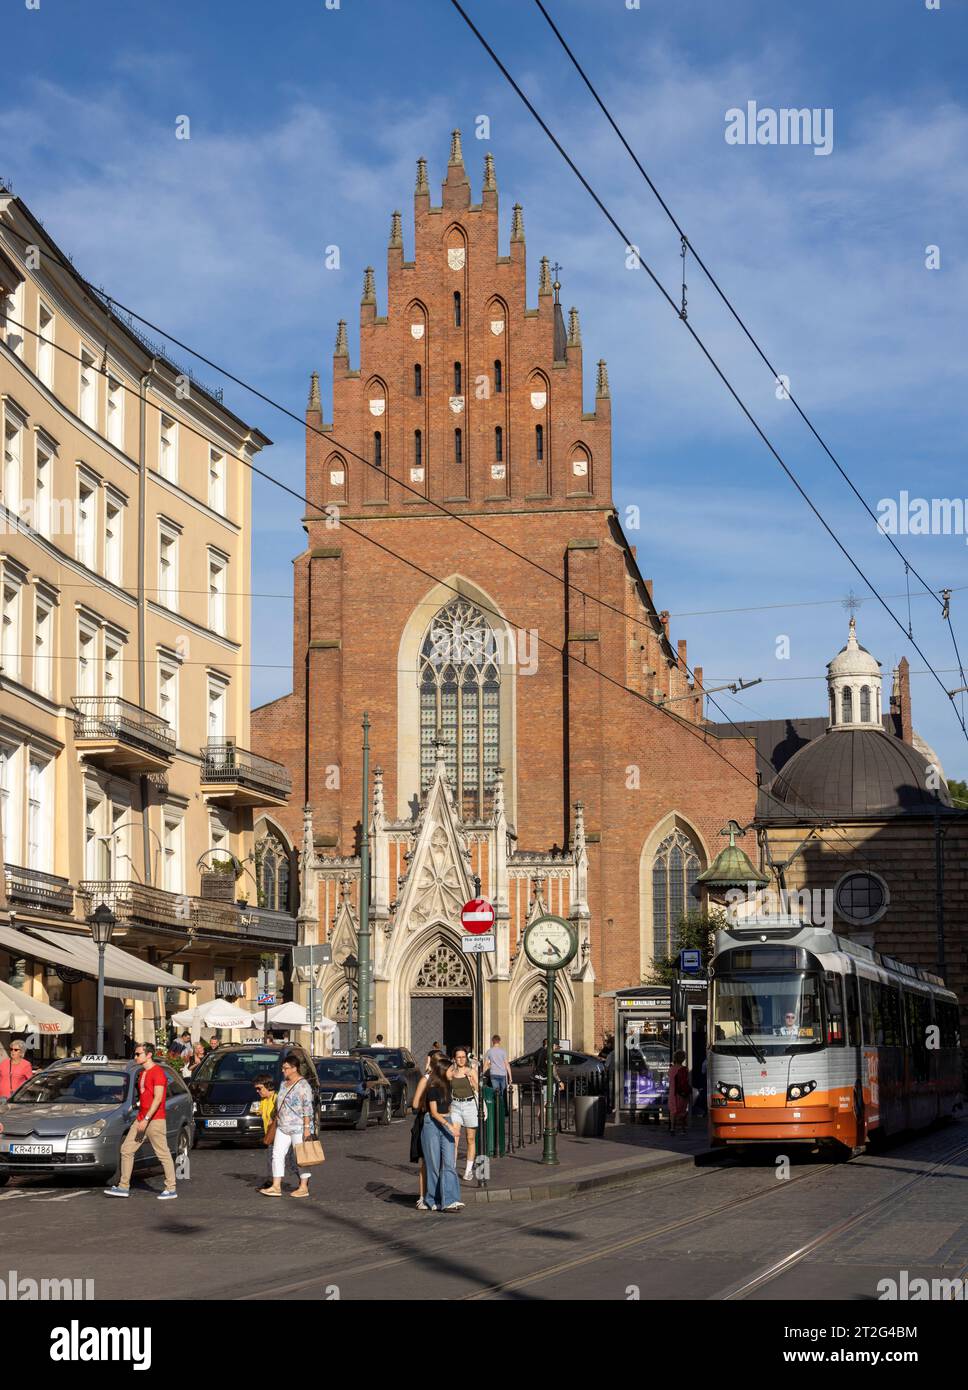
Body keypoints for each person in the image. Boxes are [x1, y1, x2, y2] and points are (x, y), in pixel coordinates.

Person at [104, 1042, 177, 1199]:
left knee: (162, 1153)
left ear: (149, 1055)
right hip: (141, 1118)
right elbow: (145, 1096)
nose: (135, 1057)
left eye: (138, 1054)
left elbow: (158, 1099)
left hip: (154, 1120)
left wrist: (146, 1118)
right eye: (135, 1054)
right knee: (126, 1149)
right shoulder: (143, 1073)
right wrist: (136, 1107)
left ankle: (171, 1188)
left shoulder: (157, 1073)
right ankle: (124, 1187)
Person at [262, 1052, 314, 1199]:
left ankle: (303, 1186)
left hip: (298, 1127)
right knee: (277, 1155)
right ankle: (276, 1186)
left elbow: (307, 1108)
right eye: (283, 1068)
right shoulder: (283, 1084)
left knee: (301, 1157)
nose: (283, 1070)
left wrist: (306, 1129)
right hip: (283, 1126)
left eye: (285, 1068)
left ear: (294, 1068)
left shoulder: (303, 1085)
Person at [419, 1058, 463, 1212]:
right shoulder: (432, 1088)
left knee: (449, 1162)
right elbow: (434, 1112)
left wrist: (452, 1119)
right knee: (434, 1164)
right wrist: (450, 1126)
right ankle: (433, 1200)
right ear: (444, 1071)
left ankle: (451, 1199)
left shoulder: (449, 1086)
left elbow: (449, 1107)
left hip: (447, 1120)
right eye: (451, 1070)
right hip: (432, 1124)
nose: (453, 1072)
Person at [447, 1046, 479, 1182]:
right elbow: (446, 1078)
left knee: (470, 1139)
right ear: (454, 1058)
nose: (461, 1059)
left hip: (470, 1105)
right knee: (454, 1138)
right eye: (458, 1057)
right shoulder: (451, 1072)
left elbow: (478, 1088)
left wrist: (473, 1083)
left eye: (463, 1057)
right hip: (455, 1106)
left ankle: (468, 1171)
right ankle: (452, 1168)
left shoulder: (471, 1071)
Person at [668, 1050, 690, 1136]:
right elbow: (686, 1081)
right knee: (682, 1110)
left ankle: (672, 1129)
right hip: (681, 1093)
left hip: (672, 1092)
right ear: (683, 1059)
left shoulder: (671, 1069)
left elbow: (670, 1078)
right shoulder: (684, 1069)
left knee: (673, 1110)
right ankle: (683, 1128)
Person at [483, 1034, 509, 1106]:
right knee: (502, 1093)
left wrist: (482, 1074)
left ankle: (497, 1107)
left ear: (492, 1042)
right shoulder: (503, 1051)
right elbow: (507, 1064)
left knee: (496, 1092)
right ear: (499, 1041)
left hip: (493, 1074)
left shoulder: (489, 1051)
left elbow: (485, 1065)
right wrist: (510, 1076)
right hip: (502, 1074)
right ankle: (502, 1108)